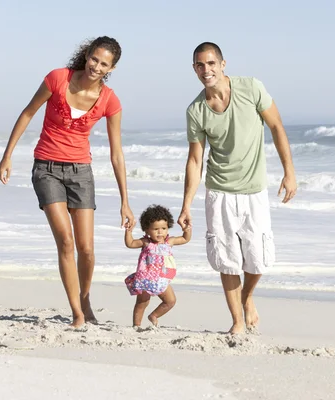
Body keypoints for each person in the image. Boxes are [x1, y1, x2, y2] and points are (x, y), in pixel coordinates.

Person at [0, 36, 135, 328]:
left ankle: (85, 297)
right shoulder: (58, 78)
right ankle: (77, 313)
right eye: (94, 59)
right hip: (46, 169)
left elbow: (117, 154)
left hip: (81, 172)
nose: (97, 66)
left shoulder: (110, 100)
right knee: (66, 242)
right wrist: (7, 156)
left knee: (86, 248)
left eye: (104, 63)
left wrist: (125, 201)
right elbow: (27, 113)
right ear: (87, 55)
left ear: (112, 67)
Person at [177, 42, 297, 334]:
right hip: (219, 190)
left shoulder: (251, 88)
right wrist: (186, 205)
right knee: (227, 260)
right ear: (194, 69)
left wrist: (289, 172)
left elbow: (277, 126)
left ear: (223, 64)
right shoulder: (196, 110)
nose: (207, 70)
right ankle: (237, 321)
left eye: (211, 64)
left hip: (254, 189)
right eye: (200, 65)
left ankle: (248, 295)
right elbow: (195, 159)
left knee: (258, 259)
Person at [124, 204, 191, 328]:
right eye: (155, 229)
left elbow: (185, 239)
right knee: (142, 302)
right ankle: (136, 325)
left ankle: (154, 315)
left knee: (170, 301)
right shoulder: (146, 242)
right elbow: (130, 243)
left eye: (164, 228)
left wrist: (186, 229)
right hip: (146, 278)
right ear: (147, 230)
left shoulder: (169, 241)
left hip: (162, 278)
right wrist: (129, 231)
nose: (160, 232)